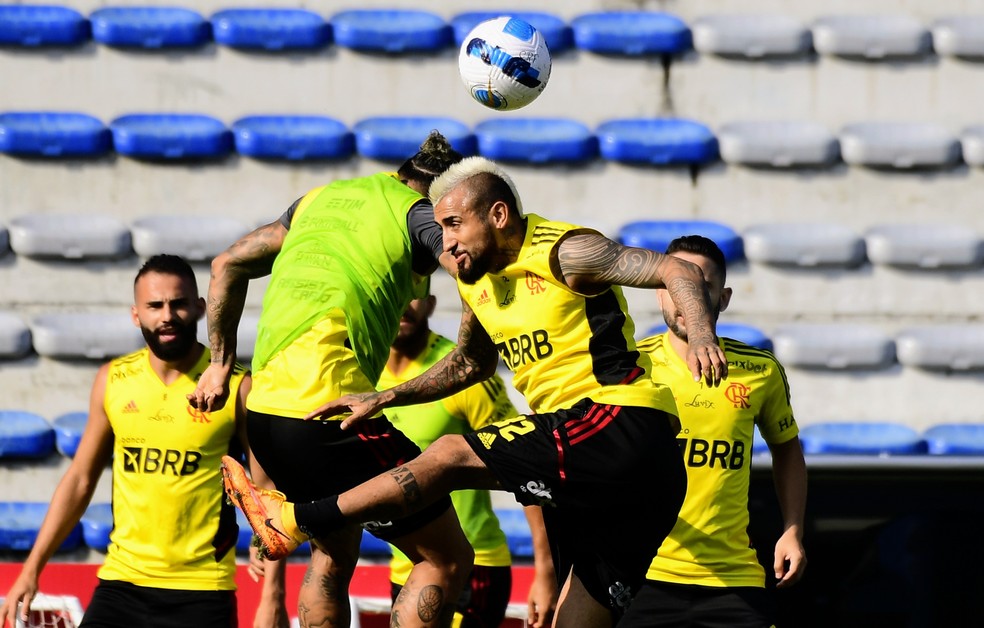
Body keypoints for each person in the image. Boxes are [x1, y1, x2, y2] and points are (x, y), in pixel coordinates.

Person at [222, 156, 730, 628]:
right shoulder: (475, 282)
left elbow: (677, 270)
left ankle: (293, 519)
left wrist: (703, 336)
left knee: (447, 455)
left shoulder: (565, 251)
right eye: (440, 229)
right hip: (632, 479)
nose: (444, 243)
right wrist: (386, 397)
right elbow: (471, 362)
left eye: (454, 225)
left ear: (499, 214)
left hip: (620, 422)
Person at [188, 132, 476, 628]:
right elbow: (470, 266)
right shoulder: (419, 213)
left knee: (336, 548)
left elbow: (226, 263)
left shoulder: (319, 199)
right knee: (444, 559)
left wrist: (219, 363)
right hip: (330, 415)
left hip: (264, 414)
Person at [0, 254, 286, 628]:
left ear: (201, 308)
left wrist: (273, 597)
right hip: (121, 584)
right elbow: (80, 480)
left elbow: (269, 490)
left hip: (203, 592)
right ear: (136, 314)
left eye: (178, 303)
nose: (166, 315)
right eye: (155, 305)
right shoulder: (113, 380)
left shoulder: (235, 386)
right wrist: (32, 568)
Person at [618, 235, 808, 628]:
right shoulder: (631, 368)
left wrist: (792, 530)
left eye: (701, 283)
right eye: (676, 283)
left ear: (723, 297)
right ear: (659, 292)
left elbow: (787, 450)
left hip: (734, 579)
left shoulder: (760, 371)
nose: (686, 295)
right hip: (644, 574)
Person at [379, 288, 523, 627]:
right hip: (404, 565)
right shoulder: (363, 375)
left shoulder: (465, 372)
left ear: (431, 302)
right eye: (396, 292)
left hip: (473, 564)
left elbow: (523, 463)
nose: (403, 303)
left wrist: (546, 569)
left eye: (413, 293)